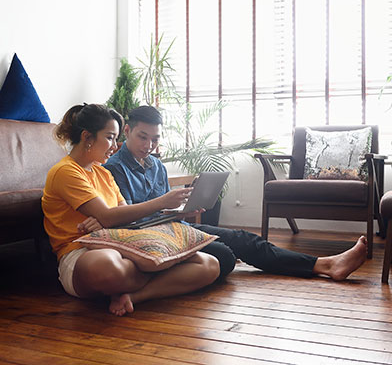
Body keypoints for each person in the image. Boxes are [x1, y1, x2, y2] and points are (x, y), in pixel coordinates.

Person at [104, 105, 368, 282]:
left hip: (175, 229)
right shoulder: (113, 169)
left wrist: (185, 209)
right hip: (152, 239)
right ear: (126, 131)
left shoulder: (157, 165)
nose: (149, 145)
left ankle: (324, 264)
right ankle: (322, 265)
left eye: (155, 139)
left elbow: (163, 212)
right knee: (226, 255)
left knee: (244, 239)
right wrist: (165, 205)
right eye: (142, 137)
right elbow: (128, 221)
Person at [42, 103, 233, 317]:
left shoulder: (102, 174)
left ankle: (134, 296)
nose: (115, 146)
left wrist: (108, 219)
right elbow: (107, 215)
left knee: (210, 264)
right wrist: (159, 202)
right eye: (109, 137)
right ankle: (164, 269)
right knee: (108, 265)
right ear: (87, 137)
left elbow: (121, 216)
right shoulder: (65, 171)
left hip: (119, 242)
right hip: (79, 252)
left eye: (115, 138)